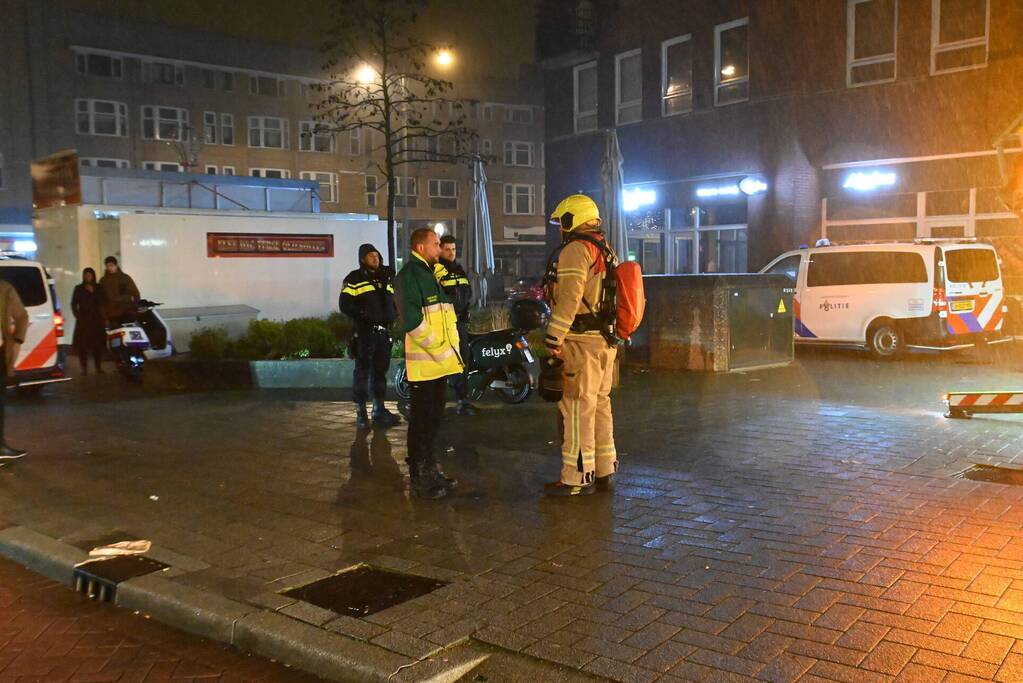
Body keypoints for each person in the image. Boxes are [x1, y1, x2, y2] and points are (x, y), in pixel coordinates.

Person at [544, 194, 619, 497]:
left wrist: (553, 339)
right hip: (605, 342)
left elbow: (569, 300)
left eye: (561, 222)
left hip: (581, 344)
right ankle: (603, 469)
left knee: (576, 409)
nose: (560, 229)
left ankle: (576, 478)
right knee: (600, 405)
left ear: (571, 219)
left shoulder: (577, 249)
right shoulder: (605, 249)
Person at [394, 228, 463, 499]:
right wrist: (439, 349)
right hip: (427, 365)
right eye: (435, 244)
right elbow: (412, 321)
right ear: (421, 248)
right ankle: (420, 476)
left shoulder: (430, 275)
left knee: (433, 420)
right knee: (422, 421)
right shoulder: (410, 276)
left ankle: (431, 470)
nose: (440, 248)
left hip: (439, 364)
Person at [339, 243, 401, 429]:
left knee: (380, 372)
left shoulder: (386, 278)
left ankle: (379, 410)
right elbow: (345, 305)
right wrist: (363, 314)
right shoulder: (354, 279)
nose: (375, 258)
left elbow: (396, 299)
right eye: (371, 255)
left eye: (377, 255)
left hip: (383, 333)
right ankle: (361, 414)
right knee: (362, 373)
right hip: (365, 333)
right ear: (362, 259)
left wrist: (394, 314)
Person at [435, 235, 477, 415]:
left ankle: (462, 401)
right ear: (440, 250)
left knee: (462, 362)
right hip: (443, 325)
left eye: (453, 249)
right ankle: (438, 405)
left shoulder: (460, 271)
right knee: (442, 364)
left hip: (459, 323)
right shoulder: (436, 270)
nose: (451, 253)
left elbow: (467, 295)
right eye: (447, 249)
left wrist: (466, 310)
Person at [0, 281, 28, 461]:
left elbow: (22, 317)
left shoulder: (5, 289)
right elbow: (22, 316)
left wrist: (17, 340)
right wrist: (17, 341)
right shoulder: (4, 288)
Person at [71, 268, 106, 374]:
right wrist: (78, 316)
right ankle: (84, 368)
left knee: (97, 345)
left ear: (93, 276)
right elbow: (73, 303)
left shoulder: (99, 288)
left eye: (89, 275)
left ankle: (98, 366)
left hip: (96, 320)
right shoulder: (79, 288)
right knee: (83, 346)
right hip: (84, 321)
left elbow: (103, 301)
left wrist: (93, 292)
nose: (87, 277)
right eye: (86, 275)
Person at [99, 256, 140, 327]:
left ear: (116, 265)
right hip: (111, 315)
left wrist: (132, 309)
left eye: (111, 265)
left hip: (126, 313)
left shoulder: (125, 278)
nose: (109, 268)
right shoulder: (103, 281)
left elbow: (136, 295)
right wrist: (104, 317)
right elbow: (101, 300)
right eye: (107, 266)